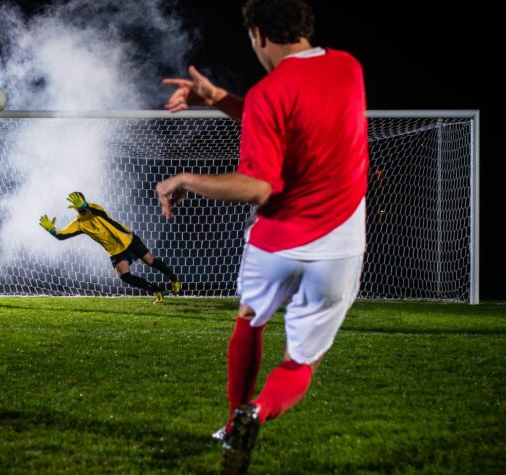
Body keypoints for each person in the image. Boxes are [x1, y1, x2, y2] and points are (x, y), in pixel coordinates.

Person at [157, 0, 368, 472]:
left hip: (276, 244)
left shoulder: (268, 92)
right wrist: (221, 99)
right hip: (338, 248)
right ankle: (258, 412)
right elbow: (295, 117)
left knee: (249, 319)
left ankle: (233, 421)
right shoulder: (350, 69)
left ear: (258, 35)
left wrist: (186, 178)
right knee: (299, 362)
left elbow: (258, 186)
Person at [40, 192, 181, 303]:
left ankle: (174, 279)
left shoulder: (95, 208)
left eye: (80, 202)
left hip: (127, 239)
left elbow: (94, 210)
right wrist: (52, 230)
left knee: (151, 261)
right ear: (74, 207)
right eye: (76, 204)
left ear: (84, 201)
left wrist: (84, 205)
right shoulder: (78, 224)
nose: (79, 206)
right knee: (124, 276)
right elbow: (63, 235)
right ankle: (157, 290)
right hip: (114, 251)